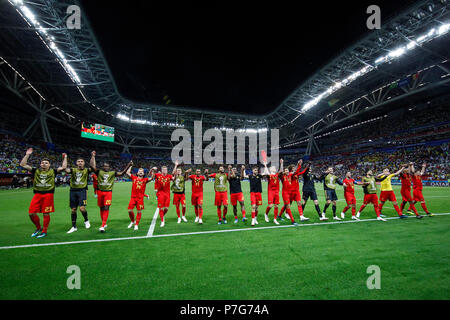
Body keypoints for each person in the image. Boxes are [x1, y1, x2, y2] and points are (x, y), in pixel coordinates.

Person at [20, 148, 67, 238]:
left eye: (46, 163)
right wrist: (27, 154)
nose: (44, 164)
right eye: (42, 163)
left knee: (46, 213)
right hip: (37, 194)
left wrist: (65, 157)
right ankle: (38, 228)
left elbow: (64, 167)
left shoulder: (53, 171)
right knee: (31, 213)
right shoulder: (35, 170)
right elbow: (22, 164)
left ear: (49, 165)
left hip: (48, 195)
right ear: (40, 164)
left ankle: (44, 231)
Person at [90, 151, 132, 232]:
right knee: (101, 207)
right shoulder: (99, 172)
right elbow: (92, 167)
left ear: (109, 167)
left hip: (108, 192)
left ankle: (102, 225)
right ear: (103, 167)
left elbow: (122, 173)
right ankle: (104, 223)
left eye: (107, 166)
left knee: (106, 207)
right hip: (100, 192)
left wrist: (128, 165)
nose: (106, 167)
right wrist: (93, 156)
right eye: (104, 166)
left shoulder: (112, 173)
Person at [65, 156, 93, 233]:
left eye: (81, 161)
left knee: (82, 208)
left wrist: (93, 157)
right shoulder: (73, 170)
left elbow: (93, 167)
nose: (80, 163)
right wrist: (65, 158)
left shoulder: (87, 170)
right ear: (76, 163)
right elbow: (65, 169)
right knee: (73, 209)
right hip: (73, 191)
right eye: (78, 161)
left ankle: (86, 220)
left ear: (84, 163)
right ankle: (74, 227)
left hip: (82, 190)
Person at [125, 163, 152, 230]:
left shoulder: (145, 180)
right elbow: (127, 172)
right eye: (139, 171)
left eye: (142, 172)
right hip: (133, 198)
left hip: (140, 199)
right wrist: (130, 165)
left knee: (139, 211)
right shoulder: (134, 178)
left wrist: (152, 171)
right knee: (129, 210)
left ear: (143, 173)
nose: (140, 172)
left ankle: (136, 224)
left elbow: (152, 178)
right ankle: (132, 221)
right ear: (137, 173)